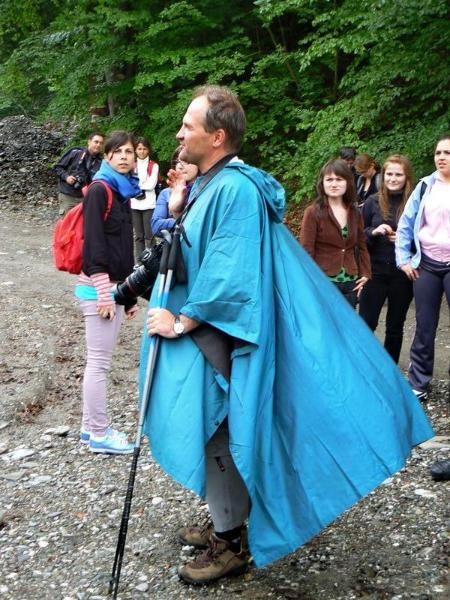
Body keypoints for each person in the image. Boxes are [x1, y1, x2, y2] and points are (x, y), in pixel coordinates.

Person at [140, 85, 432, 585]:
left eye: (188, 125)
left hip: (225, 332)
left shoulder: (233, 189)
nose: (179, 133)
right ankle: (227, 516)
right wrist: (181, 202)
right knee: (218, 426)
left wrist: (181, 321)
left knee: (219, 429)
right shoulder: (213, 183)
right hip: (221, 328)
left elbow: (229, 273)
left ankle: (231, 542)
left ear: (217, 136)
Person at [75, 130, 141, 454]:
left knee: (98, 361)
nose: (125, 157)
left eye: (129, 152)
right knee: (98, 363)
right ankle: (100, 434)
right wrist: (105, 293)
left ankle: (89, 428)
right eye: (118, 152)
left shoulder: (123, 191)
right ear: (107, 156)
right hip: (97, 289)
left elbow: (123, 249)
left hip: (114, 288)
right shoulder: (100, 189)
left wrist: (127, 297)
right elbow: (94, 246)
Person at [396, 134, 450, 402]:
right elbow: (406, 224)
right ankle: (419, 383)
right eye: (438, 153)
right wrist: (403, 259)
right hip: (426, 264)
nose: (441, 157)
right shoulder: (425, 186)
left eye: (447, 153)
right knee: (425, 325)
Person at [358, 155, 415, 363]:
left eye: (398, 174)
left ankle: (390, 369)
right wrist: (374, 231)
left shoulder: (414, 203)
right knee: (366, 323)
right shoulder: (372, 201)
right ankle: (364, 365)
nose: (392, 178)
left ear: (406, 177)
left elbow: (425, 239)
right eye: (389, 174)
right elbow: (359, 237)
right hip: (374, 271)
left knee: (395, 326)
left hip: (403, 274)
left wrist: (404, 239)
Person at [300, 158, 371, 308]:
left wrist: (365, 274)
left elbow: (362, 246)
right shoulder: (313, 212)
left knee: (347, 322)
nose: (334, 184)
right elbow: (306, 251)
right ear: (322, 183)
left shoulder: (355, 212)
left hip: (350, 282)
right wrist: (310, 281)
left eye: (339, 179)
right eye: (329, 179)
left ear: (347, 182)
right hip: (323, 282)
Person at [54, 131, 104, 216]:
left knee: (82, 223)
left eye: (101, 143)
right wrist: (66, 177)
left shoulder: (100, 162)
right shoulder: (75, 152)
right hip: (68, 195)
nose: (98, 145)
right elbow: (57, 168)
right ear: (89, 142)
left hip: (85, 197)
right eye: (96, 142)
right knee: (67, 222)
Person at [151, 146, 198, 234]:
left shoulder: (205, 191)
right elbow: (156, 225)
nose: (180, 166)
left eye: (187, 161)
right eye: (177, 162)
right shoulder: (166, 193)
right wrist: (179, 221)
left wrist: (176, 220)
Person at [130, 137, 159, 260]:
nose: (142, 151)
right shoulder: (131, 165)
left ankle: (153, 260)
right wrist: (142, 185)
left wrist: (137, 186)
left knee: (149, 235)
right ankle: (139, 262)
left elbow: (152, 185)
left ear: (148, 150)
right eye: (139, 149)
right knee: (138, 236)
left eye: (144, 149)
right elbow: (128, 182)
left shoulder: (153, 166)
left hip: (149, 205)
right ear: (135, 150)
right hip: (134, 204)